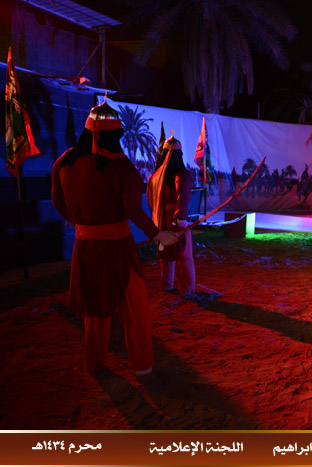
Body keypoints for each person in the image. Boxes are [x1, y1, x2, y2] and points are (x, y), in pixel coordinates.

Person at [51, 101, 177, 376]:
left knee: (95, 308)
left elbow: (56, 197)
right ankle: (141, 365)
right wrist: (157, 234)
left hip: (85, 246)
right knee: (134, 304)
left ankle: (95, 363)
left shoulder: (64, 162)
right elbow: (132, 210)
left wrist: (75, 217)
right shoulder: (122, 168)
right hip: (118, 247)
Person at [147, 136, 196, 295]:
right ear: (179, 155)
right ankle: (187, 290)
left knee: (166, 255)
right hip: (178, 221)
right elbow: (183, 197)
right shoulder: (182, 175)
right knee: (184, 255)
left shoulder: (155, 176)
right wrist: (180, 218)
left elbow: (150, 200)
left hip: (162, 221)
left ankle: (167, 285)